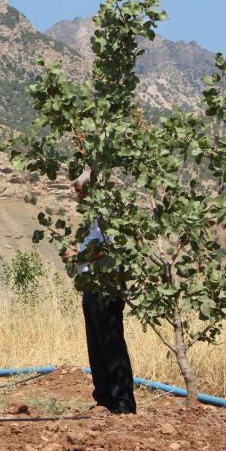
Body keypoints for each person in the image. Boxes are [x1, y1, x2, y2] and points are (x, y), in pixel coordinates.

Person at [65, 166, 136, 414]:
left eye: (82, 191)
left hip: (107, 285)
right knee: (96, 344)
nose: (79, 196)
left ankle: (123, 402)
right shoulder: (93, 220)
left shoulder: (109, 216)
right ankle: (104, 398)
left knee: (110, 341)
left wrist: (79, 255)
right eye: (77, 192)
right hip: (92, 285)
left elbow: (112, 250)